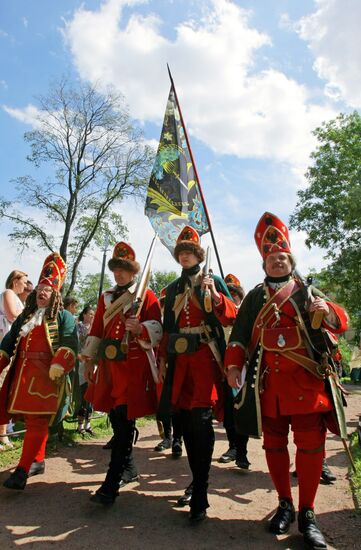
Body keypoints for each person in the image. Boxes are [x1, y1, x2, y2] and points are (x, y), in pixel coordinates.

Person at [225, 212, 349, 549]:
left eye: (282, 257)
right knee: (274, 446)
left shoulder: (307, 290)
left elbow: (341, 322)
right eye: (271, 258)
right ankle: (284, 504)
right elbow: (237, 338)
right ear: (264, 263)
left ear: (290, 260)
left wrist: (326, 308)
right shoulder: (253, 298)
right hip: (269, 386)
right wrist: (233, 366)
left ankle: (308, 513)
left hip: (307, 382)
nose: (276, 261)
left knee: (310, 447)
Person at [158, 226, 237, 522]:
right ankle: (196, 480)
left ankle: (201, 489)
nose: (185, 256)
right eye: (181, 252)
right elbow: (167, 328)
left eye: (189, 252)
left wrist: (215, 295)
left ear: (198, 254)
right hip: (180, 360)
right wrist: (164, 359)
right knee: (185, 422)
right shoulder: (173, 288)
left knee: (201, 422)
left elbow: (231, 316)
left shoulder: (212, 279)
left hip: (204, 358)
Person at [82, 241, 162, 506]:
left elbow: (158, 327)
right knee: (117, 419)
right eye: (116, 269)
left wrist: (140, 327)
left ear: (133, 272)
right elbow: (96, 329)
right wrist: (88, 359)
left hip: (132, 365)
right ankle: (129, 468)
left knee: (124, 418)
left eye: (124, 269)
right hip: (109, 364)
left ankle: (111, 482)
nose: (119, 274)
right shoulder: (106, 297)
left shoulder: (146, 295)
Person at [0, 253, 78, 490]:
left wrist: (59, 364)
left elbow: (69, 342)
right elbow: (8, 343)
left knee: (36, 421)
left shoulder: (64, 316)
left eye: (48, 289)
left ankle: (21, 471)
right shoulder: (26, 315)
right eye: (40, 288)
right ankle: (37, 460)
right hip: (21, 376)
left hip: (46, 377)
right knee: (34, 422)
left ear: (55, 294)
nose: (42, 292)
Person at [218, 274, 250, 470]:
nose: (232, 299)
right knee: (229, 412)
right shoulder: (218, 316)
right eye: (228, 296)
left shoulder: (246, 315)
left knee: (241, 411)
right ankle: (232, 447)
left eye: (234, 296)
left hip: (243, 369)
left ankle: (242, 452)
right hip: (222, 368)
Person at [0, 270, 28, 450]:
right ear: (15, 281)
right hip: (4, 346)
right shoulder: (8, 293)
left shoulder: (19, 298)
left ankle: (4, 433)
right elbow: (13, 316)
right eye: (24, 282)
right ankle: (2, 436)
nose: (26, 285)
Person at [154, 286, 183, 458]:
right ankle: (167, 436)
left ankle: (177, 439)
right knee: (162, 401)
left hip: (177, 359)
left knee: (177, 402)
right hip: (160, 361)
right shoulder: (160, 321)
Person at [75, 305, 95, 435]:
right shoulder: (78, 327)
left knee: (92, 394)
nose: (91, 317)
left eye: (93, 315)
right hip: (81, 362)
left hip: (93, 363)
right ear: (84, 315)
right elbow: (76, 344)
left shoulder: (95, 329)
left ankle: (89, 424)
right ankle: (80, 425)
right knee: (83, 394)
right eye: (90, 314)